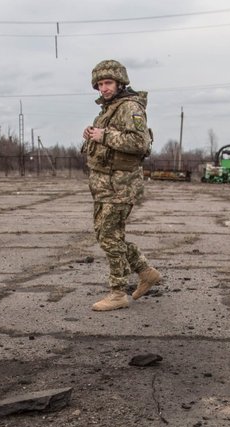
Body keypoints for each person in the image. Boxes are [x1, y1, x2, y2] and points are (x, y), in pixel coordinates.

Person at [82, 59, 162, 312]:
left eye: (108, 83)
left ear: (120, 83)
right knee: (109, 235)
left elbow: (140, 142)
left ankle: (117, 292)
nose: (103, 88)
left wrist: (103, 135)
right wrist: (91, 136)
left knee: (108, 236)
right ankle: (146, 272)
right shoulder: (108, 109)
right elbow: (106, 143)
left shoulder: (130, 106)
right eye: (100, 84)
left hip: (121, 185)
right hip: (105, 184)